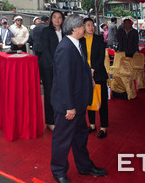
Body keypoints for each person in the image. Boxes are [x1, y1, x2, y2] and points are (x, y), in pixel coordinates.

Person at [51, 14, 107, 182]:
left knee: (80, 138)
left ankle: (84, 166)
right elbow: (64, 80)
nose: (85, 28)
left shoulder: (77, 44)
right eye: (83, 26)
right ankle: (59, 172)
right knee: (62, 140)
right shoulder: (65, 48)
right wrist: (69, 106)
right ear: (74, 28)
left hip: (79, 103)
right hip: (68, 105)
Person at [34, 10, 64, 131]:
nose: (57, 20)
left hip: (62, 67)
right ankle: (50, 121)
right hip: (48, 66)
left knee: (61, 93)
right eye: (54, 17)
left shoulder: (65, 32)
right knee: (50, 93)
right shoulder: (46, 31)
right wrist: (57, 66)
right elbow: (45, 50)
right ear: (51, 19)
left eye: (60, 17)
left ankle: (60, 116)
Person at [80, 18, 109, 139]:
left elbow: (101, 57)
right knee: (89, 100)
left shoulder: (99, 39)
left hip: (99, 74)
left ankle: (103, 127)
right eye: (88, 25)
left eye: (92, 25)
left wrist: (93, 69)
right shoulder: (80, 40)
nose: (91, 27)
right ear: (83, 27)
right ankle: (92, 125)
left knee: (102, 101)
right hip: (85, 75)